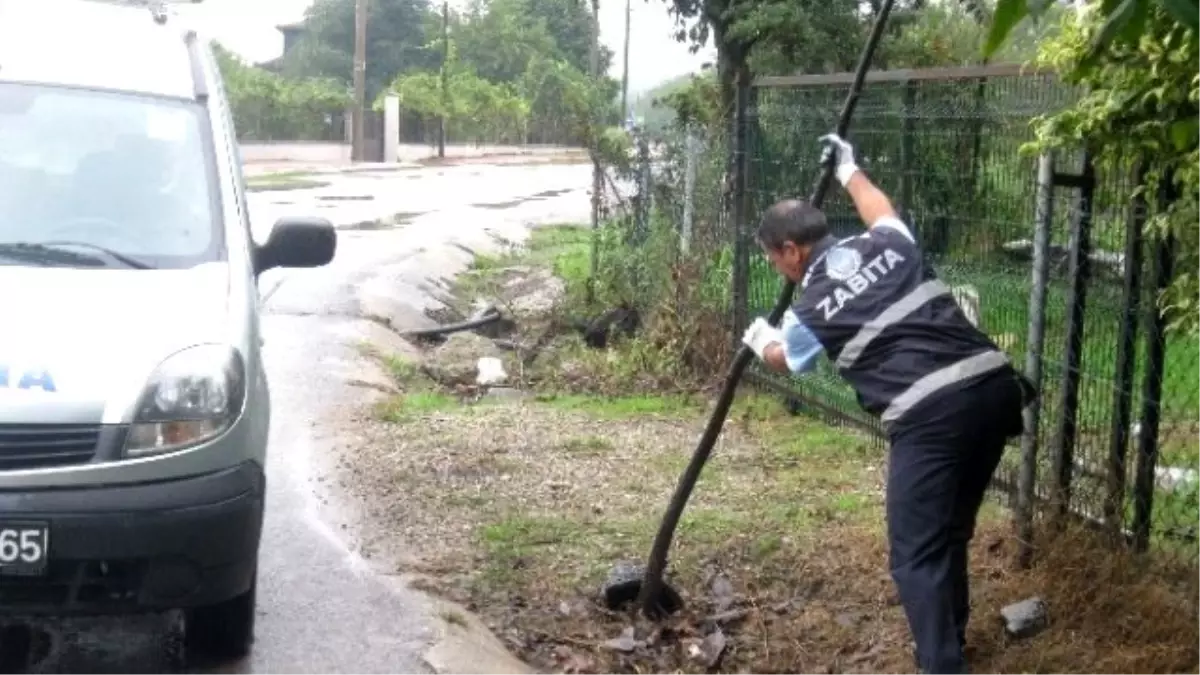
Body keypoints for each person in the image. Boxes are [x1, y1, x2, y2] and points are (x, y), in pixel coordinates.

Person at [741, 133, 1035, 675]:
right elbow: (881, 209)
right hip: (993, 392)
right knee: (947, 533)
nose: (775, 268)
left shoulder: (808, 309)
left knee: (914, 555)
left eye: (772, 258)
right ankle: (949, 641)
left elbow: (786, 359)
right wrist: (851, 171)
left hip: (932, 416)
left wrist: (758, 337)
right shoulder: (889, 244)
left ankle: (942, 666)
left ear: (791, 251)